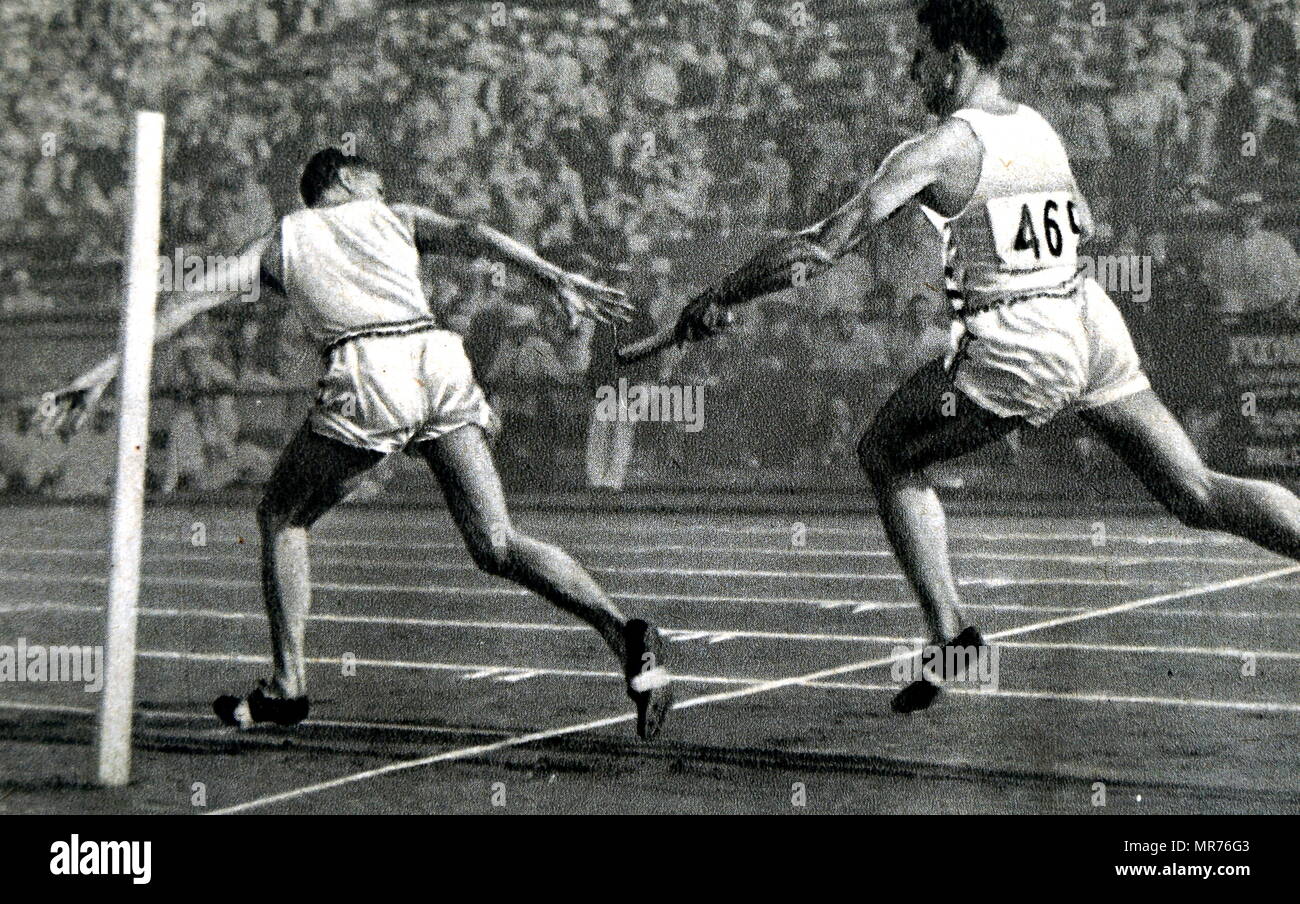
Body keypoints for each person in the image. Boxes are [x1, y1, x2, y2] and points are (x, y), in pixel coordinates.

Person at [667, 0, 1300, 714]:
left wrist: (720, 292)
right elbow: (1083, 220)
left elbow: (819, 246)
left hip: (1022, 338)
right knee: (1197, 493)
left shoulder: (937, 149)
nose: (910, 71)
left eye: (920, 55)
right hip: (1089, 317)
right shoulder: (1037, 125)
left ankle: (952, 635)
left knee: (886, 451)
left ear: (956, 55)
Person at [43, 148, 673, 739]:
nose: (384, 186)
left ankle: (288, 686)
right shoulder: (392, 217)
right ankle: (626, 635)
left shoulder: (278, 240)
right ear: (341, 181)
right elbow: (477, 234)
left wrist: (98, 374)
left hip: (371, 367)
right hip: (438, 359)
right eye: (373, 176)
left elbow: (182, 307)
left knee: (282, 517)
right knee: (497, 543)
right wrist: (554, 276)